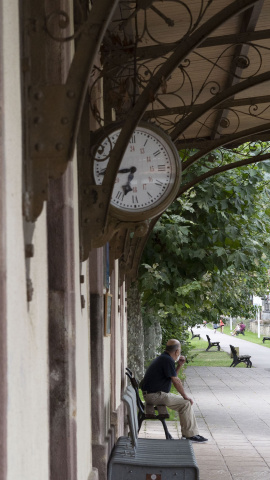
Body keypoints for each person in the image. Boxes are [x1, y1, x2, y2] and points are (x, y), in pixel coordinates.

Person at [141, 339, 208, 443]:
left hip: (152, 395)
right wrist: (185, 396)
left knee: (184, 403)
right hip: (155, 396)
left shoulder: (164, 358)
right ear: (177, 351)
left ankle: (189, 434)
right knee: (185, 404)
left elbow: (171, 376)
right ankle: (190, 435)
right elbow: (176, 381)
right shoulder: (167, 360)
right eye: (179, 350)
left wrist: (179, 365)